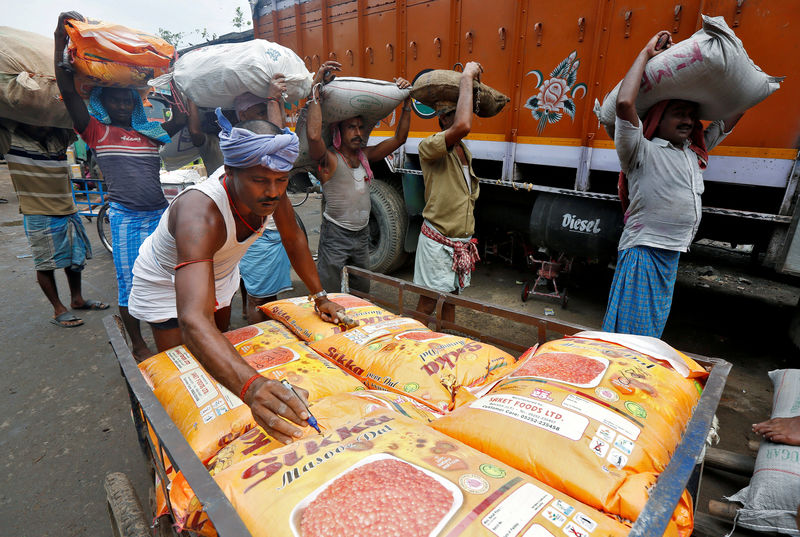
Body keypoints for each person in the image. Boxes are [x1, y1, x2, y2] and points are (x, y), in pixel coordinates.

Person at [127, 111, 345, 442]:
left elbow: (293, 238)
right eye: (260, 181)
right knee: (180, 371)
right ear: (230, 171)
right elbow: (192, 320)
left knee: (221, 343)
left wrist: (320, 297)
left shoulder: (270, 184)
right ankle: (168, 437)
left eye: (281, 180)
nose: (273, 192)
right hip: (165, 282)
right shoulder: (200, 214)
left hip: (220, 272)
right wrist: (252, 385)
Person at [53, 11, 187, 359]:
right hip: (126, 219)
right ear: (103, 102)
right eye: (116, 99)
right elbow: (68, 93)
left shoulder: (150, 134)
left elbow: (182, 119)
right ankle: (138, 343)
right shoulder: (97, 132)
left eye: (128, 99)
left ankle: (174, 332)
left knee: (168, 278)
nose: (123, 103)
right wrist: (59, 38)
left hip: (160, 216)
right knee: (130, 285)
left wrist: (174, 84)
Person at [601, 31, 744, 338]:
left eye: (692, 116)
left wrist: (742, 79)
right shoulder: (639, 150)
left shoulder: (694, 153)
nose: (689, 121)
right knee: (631, 336)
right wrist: (646, 54)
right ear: (656, 119)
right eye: (679, 114)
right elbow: (625, 104)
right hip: (644, 251)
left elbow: (730, 119)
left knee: (650, 331)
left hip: (672, 253)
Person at [306, 61, 412, 293]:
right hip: (335, 236)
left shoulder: (365, 155)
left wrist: (406, 102)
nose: (359, 133)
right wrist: (315, 90)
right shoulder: (330, 159)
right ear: (338, 132)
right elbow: (314, 137)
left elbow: (400, 139)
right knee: (329, 294)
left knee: (361, 294)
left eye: (361, 128)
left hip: (361, 236)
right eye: (351, 127)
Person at [0, 119, 108, 327]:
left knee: (74, 259)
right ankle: (58, 308)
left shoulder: (59, 136)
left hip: (68, 208)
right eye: (36, 120)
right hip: (37, 211)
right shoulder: (10, 139)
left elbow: (70, 115)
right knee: (45, 264)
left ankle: (77, 299)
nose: (43, 125)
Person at [413, 61, 483, 323]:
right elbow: (463, 125)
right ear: (443, 119)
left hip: (459, 243)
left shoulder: (465, 151)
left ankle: (447, 345)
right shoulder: (429, 147)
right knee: (427, 303)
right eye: (456, 112)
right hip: (438, 242)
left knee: (451, 299)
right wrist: (467, 76)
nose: (464, 116)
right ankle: (409, 347)